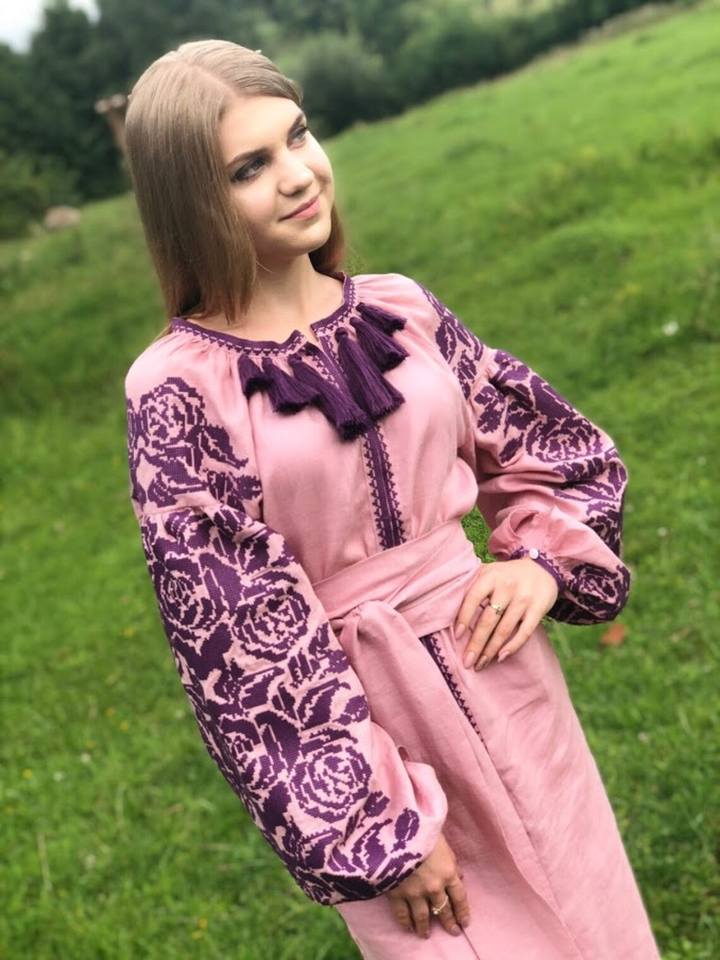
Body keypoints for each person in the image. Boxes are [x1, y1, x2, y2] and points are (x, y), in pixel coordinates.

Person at [122, 39, 661, 959]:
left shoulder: (400, 309)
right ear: (189, 201)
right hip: (371, 730)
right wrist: (378, 831)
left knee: (594, 921)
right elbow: (238, 644)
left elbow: (555, 450)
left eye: (298, 136)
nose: (299, 174)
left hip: (507, 679)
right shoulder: (178, 388)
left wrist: (540, 563)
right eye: (250, 168)